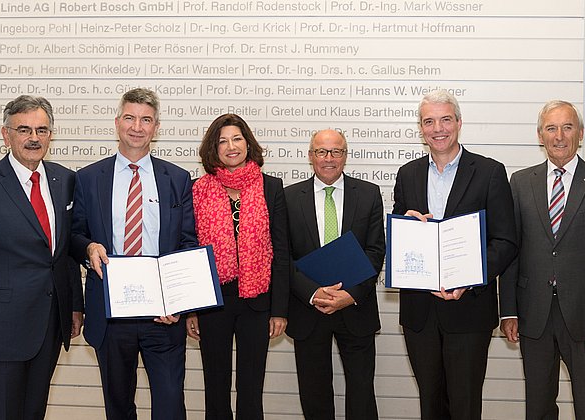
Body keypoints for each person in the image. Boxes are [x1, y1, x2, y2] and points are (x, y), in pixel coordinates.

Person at [0, 95, 83, 420]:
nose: (33, 138)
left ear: (51, 134)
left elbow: (63, 252)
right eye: (24, 129)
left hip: (50, 326)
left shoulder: (64, 180)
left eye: (41, 129)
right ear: (6, 134)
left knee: (34, 413)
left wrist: (75, 304)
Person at [70, 88, 197, 420]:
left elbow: (187, 242)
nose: (137, 127)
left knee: (170, 407)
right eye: (130, 118)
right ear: (117, 123)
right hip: (111, 313)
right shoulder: (88, 178)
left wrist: (179, 301)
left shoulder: (178, 179)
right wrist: (88, 247)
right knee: (118, 407)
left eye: (146, 120)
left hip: (163, 316)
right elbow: (73, 235)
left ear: (156, 127)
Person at [499, 100, 585, 419]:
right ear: (540, 135)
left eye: (567, 127)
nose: (559, 135)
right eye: (551, 128)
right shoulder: (520, 182)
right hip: (533, 314)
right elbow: (512, 252)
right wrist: (509, 311)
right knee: (538, 404)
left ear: (580, 134)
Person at [392, 90, 517, 420]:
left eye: (445, 119)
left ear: (459, 123)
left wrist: (468, 279)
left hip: (469, 309)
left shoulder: (490, 171)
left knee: (464, 405)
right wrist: (405, 226)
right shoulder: (408, 173)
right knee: (430, 404)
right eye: (429, 121)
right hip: (420, 313)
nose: (438, 128)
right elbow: (396, 238)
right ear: (421, 128)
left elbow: (505, 241)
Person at [185, 113, 289, 420]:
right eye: (223, 141)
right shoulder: (198, 189)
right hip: (212, 301)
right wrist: (191, 308)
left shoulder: (271, 187)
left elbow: (282, 252)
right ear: (213, 149)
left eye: (237, 138)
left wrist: (280, 310)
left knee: (251, 387)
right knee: (215, 386)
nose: (231, 146)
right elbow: (190, 252)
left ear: (248, 143)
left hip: (257, 302)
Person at [284, 129, 385, 420]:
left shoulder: (368, 194)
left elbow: (376, 251)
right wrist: (314, 294)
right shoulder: (289, 197)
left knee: (362, 393)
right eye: (321, 152)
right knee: (314, 395)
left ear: (345, 155)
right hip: (308, 308)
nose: (329, 159)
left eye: (336, 151)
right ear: (310, 156)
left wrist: (349, 295)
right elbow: (283, 257)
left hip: (356, 307)